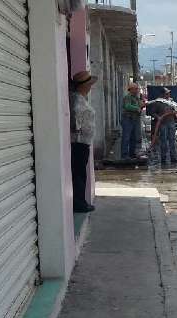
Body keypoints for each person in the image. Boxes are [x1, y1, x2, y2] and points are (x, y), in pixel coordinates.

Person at [70, 70, 97, 213]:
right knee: (79, 174)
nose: (90, 87)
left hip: (83, 142)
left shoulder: (81, 98)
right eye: (89, 84)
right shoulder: (77, 100)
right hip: (79, 143)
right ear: (84, 86)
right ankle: (79, 203)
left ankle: (80, 201)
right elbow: (75, 120)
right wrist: (80, 130)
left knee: (80, 173)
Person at [153, 88, 177, 165]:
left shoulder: (171, 101)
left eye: (169, 93)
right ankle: (163, 159)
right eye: (167, 93)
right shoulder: (158, 102)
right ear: (163, 94)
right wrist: (158, 117)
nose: (168, 95)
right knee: (163, 142)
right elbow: (153, 113)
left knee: (172, 141)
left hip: (171, 123)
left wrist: (175, 112)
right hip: (163, 124)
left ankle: (173, 158)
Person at [121, 83, 141, 160]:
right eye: (136, 89)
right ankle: (124, 155)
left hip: (134, 119)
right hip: (127, 119)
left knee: (133, 137)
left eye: (137, 89)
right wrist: (136, 108)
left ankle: (132, 153)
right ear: (131, 89)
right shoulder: (128, 97)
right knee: (126, 137)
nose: (137, 90)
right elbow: (127, 106)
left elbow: (140, 104)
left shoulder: (136, 98)